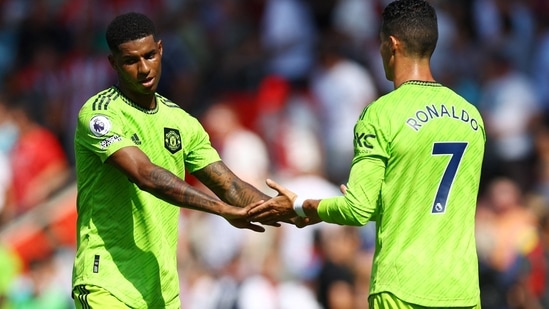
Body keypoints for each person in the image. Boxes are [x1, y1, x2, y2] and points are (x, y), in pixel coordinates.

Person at [249, 0, 486, 308]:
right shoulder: (471, 117)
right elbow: (432, 201)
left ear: (391, 45)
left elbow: (357, 210)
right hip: (461, 289)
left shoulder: (380, 115)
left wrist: (301, 206)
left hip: (402, 288)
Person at [71, 12, 273, 309]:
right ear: (113, 63)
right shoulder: (100, 114)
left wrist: (294, 210)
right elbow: (145, 174)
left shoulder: (181, 121)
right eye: (130, 61)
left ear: (161, 50)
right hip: (108, 285)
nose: (144, 68)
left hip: (161, 291)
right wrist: (221, 209)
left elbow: (230, 186)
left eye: (150, 55)